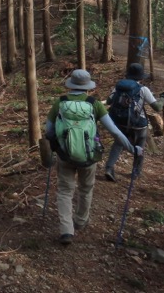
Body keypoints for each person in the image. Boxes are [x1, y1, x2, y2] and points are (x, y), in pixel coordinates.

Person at [45, 69, 141, 245]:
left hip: (64, 155)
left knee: (65, 191)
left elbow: (48, 130)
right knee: (85, 188)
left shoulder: (60, 102)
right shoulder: (94, 104)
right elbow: (114, 131)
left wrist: (58, 141)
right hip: (89, 156)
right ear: (87, 87)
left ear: (71, 85)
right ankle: (81, 221)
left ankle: (66, 230)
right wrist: (132, 149)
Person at [103, 62, 164, 182]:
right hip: (138, 124)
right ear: (141, 77)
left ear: (127, 75)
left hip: (119, 122)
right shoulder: (143, 89)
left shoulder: (118, 86)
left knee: (118, 143)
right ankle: (135, 172)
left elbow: (109, 101)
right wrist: (163, 98)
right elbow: (157, 107)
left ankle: (109, 168)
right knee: (140, 145)